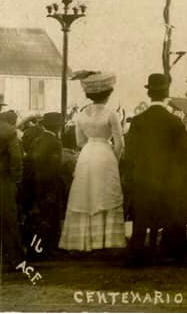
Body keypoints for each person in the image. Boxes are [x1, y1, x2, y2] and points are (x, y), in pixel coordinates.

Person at [123, 73, 187, 264]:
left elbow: (130, 154)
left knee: (142, 215)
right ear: (166, 94)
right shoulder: (175, 122)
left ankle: (137, 251)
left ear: (149, 95)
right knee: (168, 213)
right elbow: (182, 156)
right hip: (168, 178)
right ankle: (168, 250)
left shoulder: (137, 121)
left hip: (143, 177)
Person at [59, 72, 127, 252]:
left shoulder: (81, 115)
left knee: (85, 193)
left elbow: (80, 141)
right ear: (108, 93)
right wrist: (115, 160)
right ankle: (105, 241)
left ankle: (82, 241)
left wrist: (91, 145)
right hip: (105, 154)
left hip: (87, 154)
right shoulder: (111, 113)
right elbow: (120, 143)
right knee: (104, 193)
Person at [27, 112, 65, 257]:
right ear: (57, 127)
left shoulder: (38, 140)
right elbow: (55, 167)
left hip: (37, 184)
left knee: (39, 217)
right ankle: (47, 249)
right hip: (50, 185)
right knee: (50, 216)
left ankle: (36, 248)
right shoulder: (54, 142)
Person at [0, 93, 24, 270]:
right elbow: (16, 159)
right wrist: (16, 180)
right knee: (7, 218)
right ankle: (15, 258)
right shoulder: (7, 130)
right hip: (1, 179)